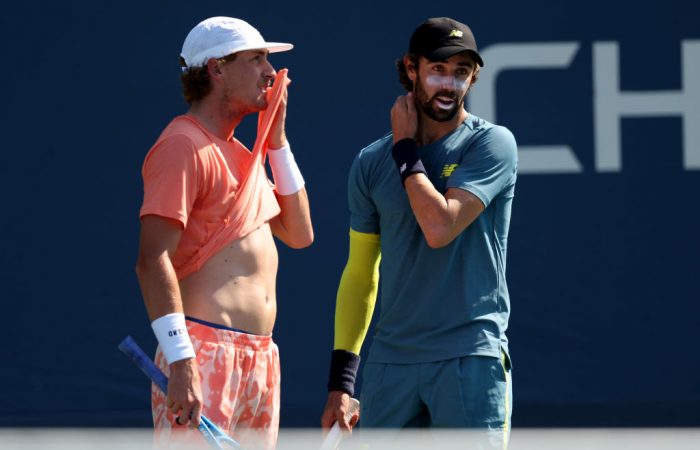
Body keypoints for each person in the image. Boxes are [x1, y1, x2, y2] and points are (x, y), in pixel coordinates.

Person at [321, 17, 517, 448]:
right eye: (438, 70)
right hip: (391, 365)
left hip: (470, 357)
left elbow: (439, 226)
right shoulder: (370, 163)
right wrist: (343, 382)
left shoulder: (493, 144)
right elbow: (360, 274)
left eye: (461, 73)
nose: (450, 84)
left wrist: (406, 149)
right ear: (411, 69)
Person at [135, 16, 313, 450]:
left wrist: (276, 139)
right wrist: (181, 361)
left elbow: (300, 231)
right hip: (203, 353)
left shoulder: (239, 153)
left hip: (262, 358)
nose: (271, 73)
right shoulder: (182, 145)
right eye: (256, 59)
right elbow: (151, 259)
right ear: (216, 69)